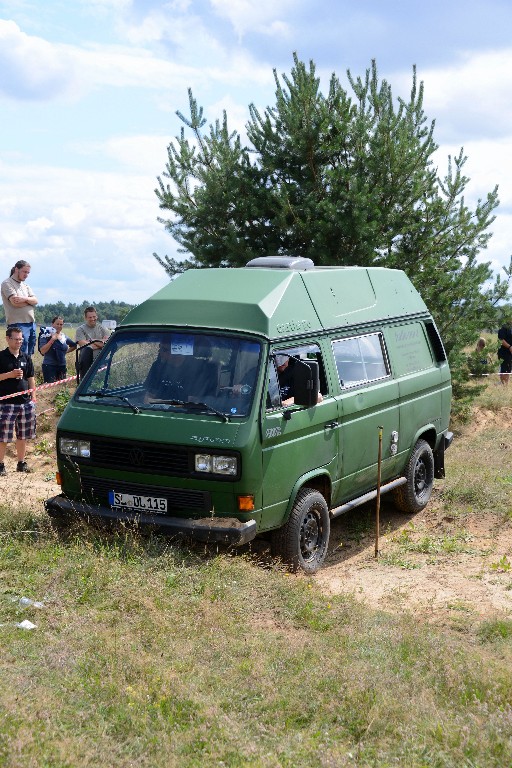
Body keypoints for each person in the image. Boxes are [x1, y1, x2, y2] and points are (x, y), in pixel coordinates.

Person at [0, 327, 36, 475]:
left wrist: (33, 397)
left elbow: (31, 378)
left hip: (25, 403)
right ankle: (0, 465)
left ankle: (21, 463)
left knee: (23, 435)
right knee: (3, 436)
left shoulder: (26, 357)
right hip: (6, 404)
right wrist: (9, 374)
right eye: (16, 339)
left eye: (21, 339)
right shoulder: (1, 357)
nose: (19, 342)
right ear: (8, 339)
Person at [144, 341, 217, 403]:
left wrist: (161, 403)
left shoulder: (199, 369)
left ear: (178, 352)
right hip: (157, 412)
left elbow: (193, 403)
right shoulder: (157, 366)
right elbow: (148, 398)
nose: (159, 352)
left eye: (164, 349)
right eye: (160, 347)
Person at [1, 260, 38, 356]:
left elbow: (36, 301)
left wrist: (24, 299)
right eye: (24, 272)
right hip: (17, 324)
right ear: (16, 269)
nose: (26, 275)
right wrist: (30, 302)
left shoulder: (25, 285)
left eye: (28, 272)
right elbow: (15, 302)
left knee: (29, 354)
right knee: (20, 353)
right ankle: (19, 371)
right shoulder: (7, 283)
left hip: (31, 324)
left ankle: (27, 371)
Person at [38, 316, 77, 383]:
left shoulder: (64, 336)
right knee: (51, 389)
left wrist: (65, 352)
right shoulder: (45, 335)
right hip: (49, 366)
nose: (59, 326)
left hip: (62, 366)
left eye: (61, 324)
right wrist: (52, 340)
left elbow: (74, 345)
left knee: (62, 388)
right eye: (57, 324)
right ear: (52, 324)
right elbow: (43, 351)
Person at [75, 306, 110, 377]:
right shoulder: (80, 330)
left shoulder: (103, 328)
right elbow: (84, 346)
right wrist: (100, 343)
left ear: (97, 316)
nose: (92, 319)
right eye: (90, 317)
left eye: (94, 316)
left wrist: (92, 341)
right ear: (85, 318)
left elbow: (107, 344)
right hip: (86, 363)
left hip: (102, 361)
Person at [497, 319, 512, 385]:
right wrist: (509, 347)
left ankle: (505, 385)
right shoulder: (503, 327)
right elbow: (501, 339)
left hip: (510, 353)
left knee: (508, 369)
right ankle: (503, 385)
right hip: (504, 353)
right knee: (505, 369)